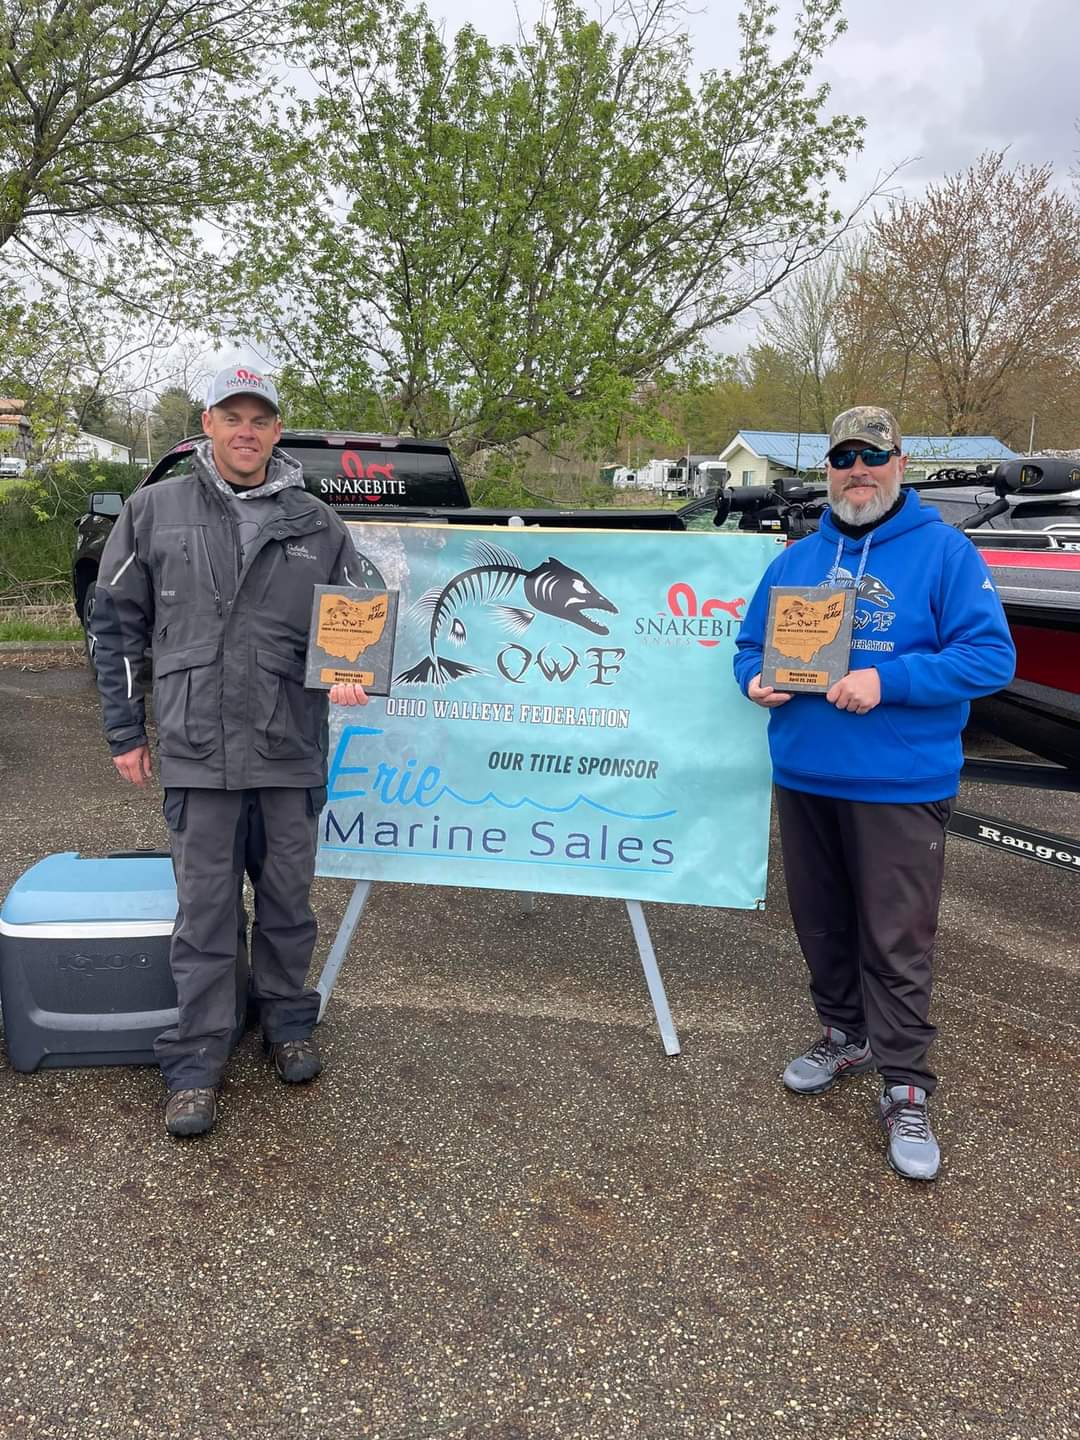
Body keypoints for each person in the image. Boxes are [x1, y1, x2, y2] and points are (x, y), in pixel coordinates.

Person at [733, 406, 1015, 1181]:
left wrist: (885, 681)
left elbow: (990, 658)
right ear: (827, 470)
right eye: (843, 458)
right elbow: (749, 644)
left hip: (899, 784)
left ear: (900, 463)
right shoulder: (795, 560)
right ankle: (845, 1034)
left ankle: (905, 1083)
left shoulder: (945, 553)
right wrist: (753, 679)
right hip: (805, 774)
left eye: (873, 457)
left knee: (896, 939)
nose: (858, 470)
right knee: (821, 925)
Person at [92, 365, 369, 1138]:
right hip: (195, 744)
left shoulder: (318, 522)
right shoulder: (153, 510)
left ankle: (286, 1023)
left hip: (287, 744)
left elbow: (358, 612)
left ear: (278, 430)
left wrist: (349, 669)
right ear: (207, 423)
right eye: (232, 415)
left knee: (287, 904)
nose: (247, 430)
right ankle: (196, 1060)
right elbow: (115, 623)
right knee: (205, 914)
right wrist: (125, 729)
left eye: (261, 418)